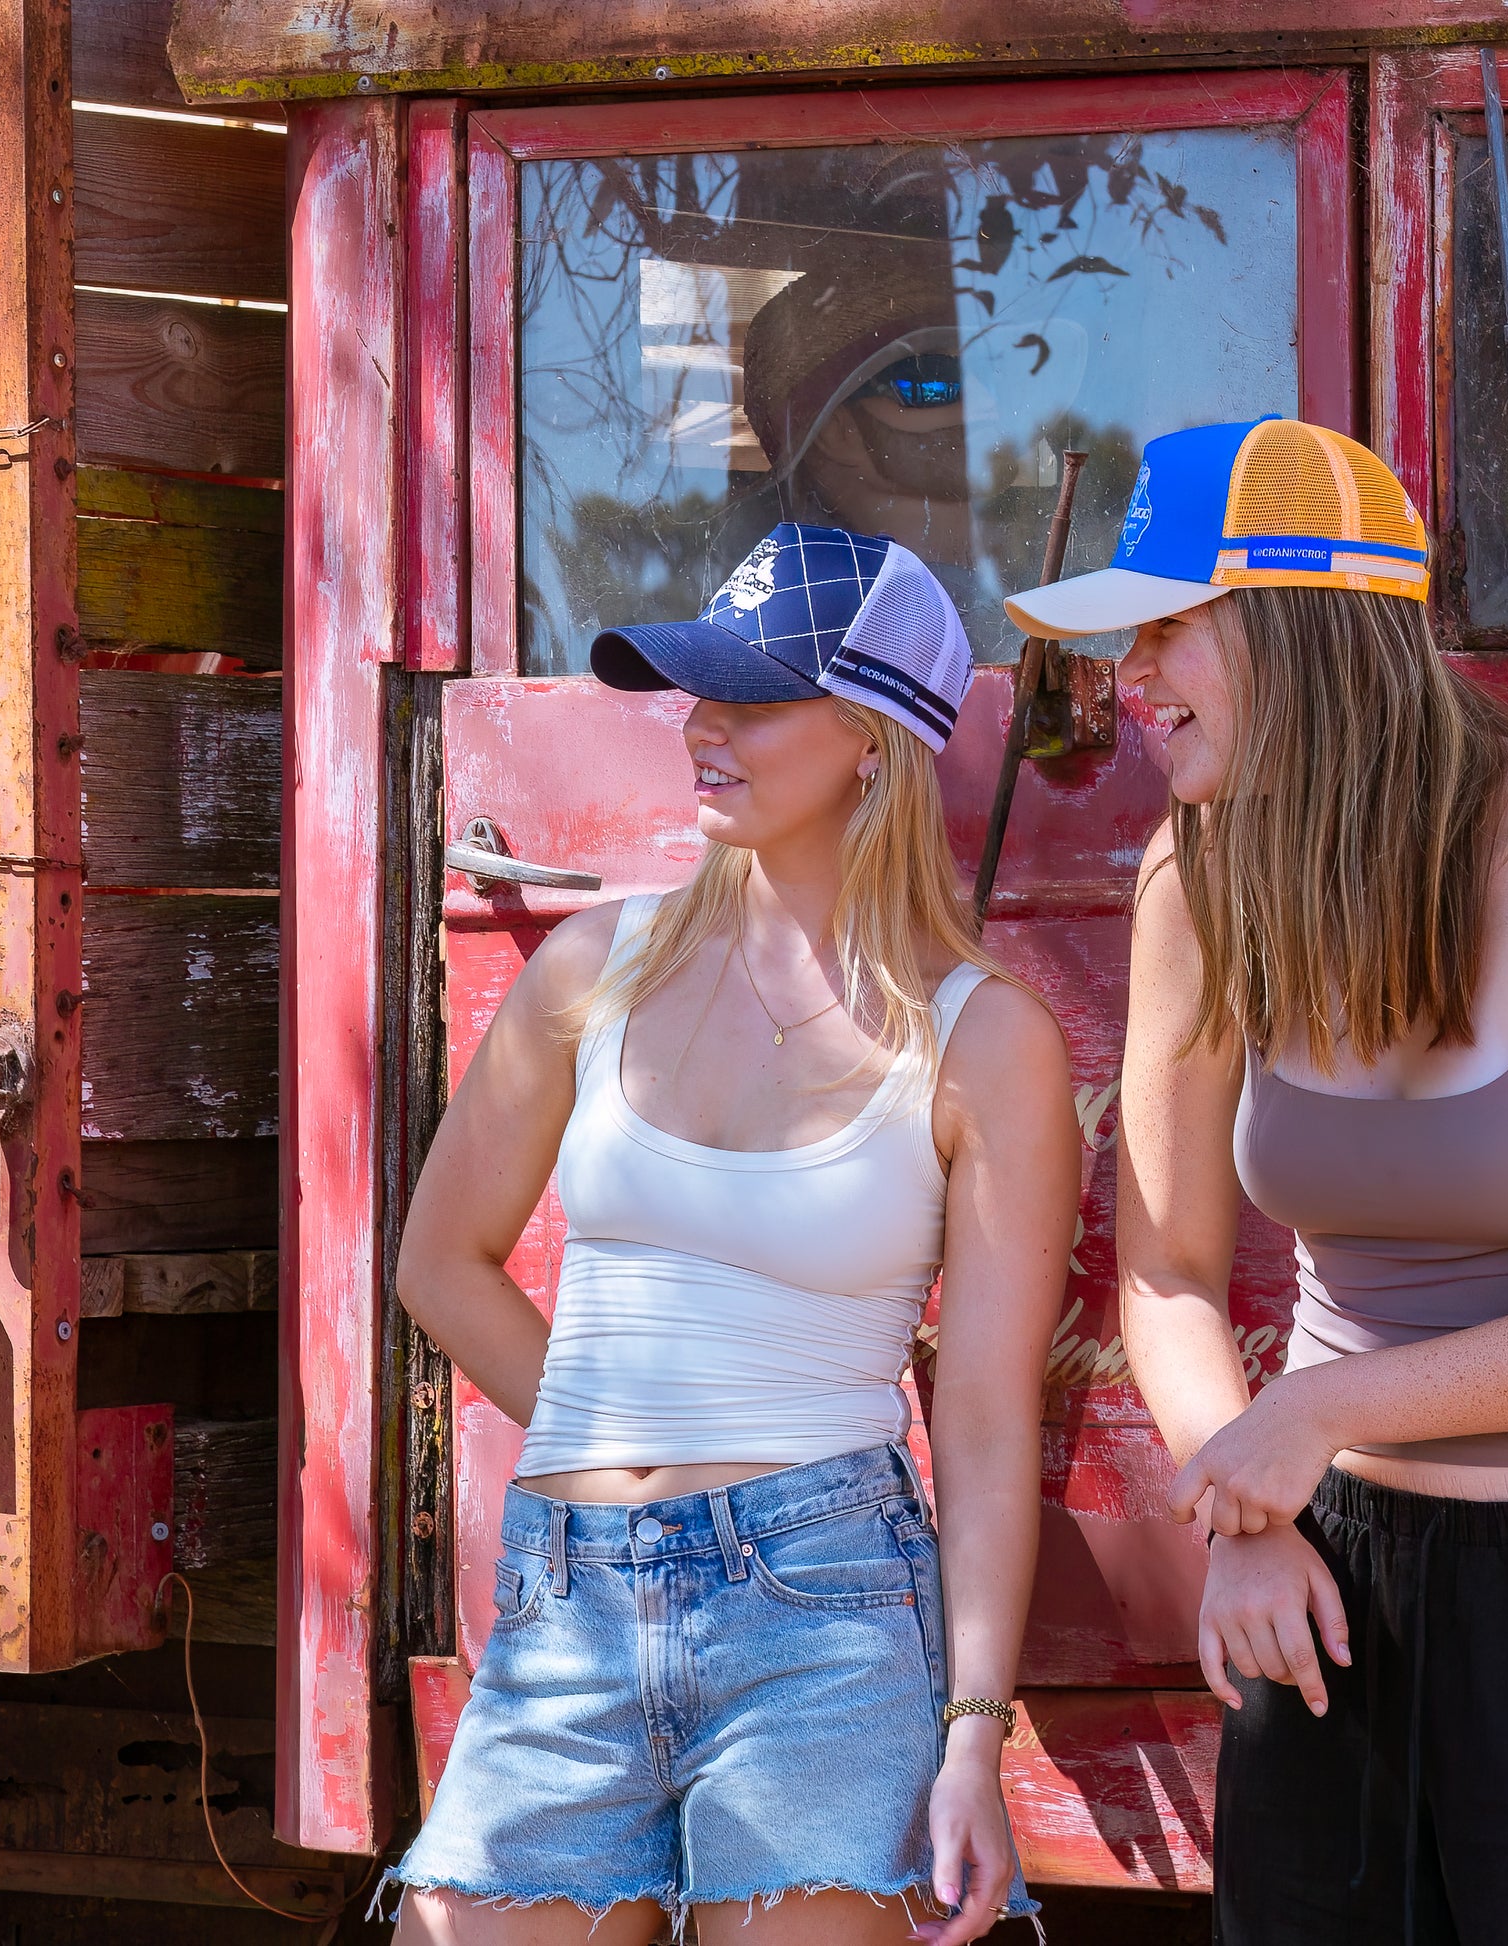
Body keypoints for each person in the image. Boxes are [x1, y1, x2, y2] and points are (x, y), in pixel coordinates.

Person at [1006, 418, 1508, 1945]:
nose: (1123, 682)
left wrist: (1323, 1407)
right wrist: (1244, 1514)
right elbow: (1161, 1268)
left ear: (1299, 626)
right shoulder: (1192, 879)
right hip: (1326, 1584)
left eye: (1161, 628)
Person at [383, 522, 1078, 1946]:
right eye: (698, 690)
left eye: (751, 699)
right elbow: (437, 1261)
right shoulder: (593, 967)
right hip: (569, 1591)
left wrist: (971, 1728)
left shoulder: (982, 1038)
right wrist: (617, 1433)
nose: (700, 726)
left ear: (874, 739)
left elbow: (990, 1413)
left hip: (819, 1609)